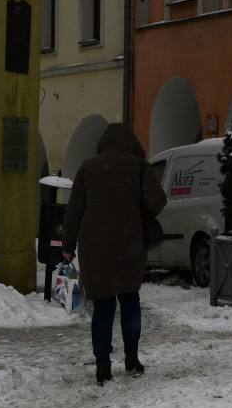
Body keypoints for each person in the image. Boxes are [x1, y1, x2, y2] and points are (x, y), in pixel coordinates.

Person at [61, 123, 167, 385]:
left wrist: (67, 245)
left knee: (103, 307)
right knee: (130, 300)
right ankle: (131, 359)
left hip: (95, 246)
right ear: (132, 143)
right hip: (129, 244)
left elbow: (74, 210)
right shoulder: (139, 166)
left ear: (103, 143)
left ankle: (102, 367)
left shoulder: (88, 167)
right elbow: (158, 201)